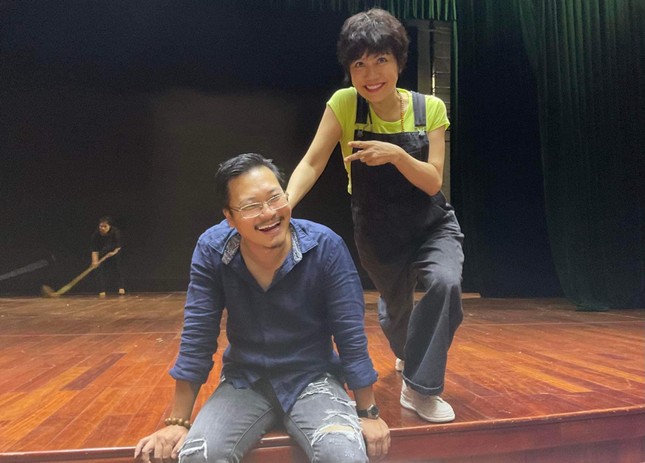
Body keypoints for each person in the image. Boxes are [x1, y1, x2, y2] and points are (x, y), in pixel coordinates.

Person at [134, 153, 389, 463]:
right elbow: (197, 336)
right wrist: (178, 421)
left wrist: (368, 412)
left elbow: (350, 335)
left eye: (275, 198)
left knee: (344, 454)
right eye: (251, 206)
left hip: (314, 377)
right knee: (199, 456)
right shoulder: (213, 249)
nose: (269, 213)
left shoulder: (325, 246)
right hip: (245, 381)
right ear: (229, 217)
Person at [286, 8, 464, 423]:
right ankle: (406, 348)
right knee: (397, 312)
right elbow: (312, 161)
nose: (370, 74)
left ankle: (420, 389)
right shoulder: (345, 104)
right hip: (378, 230)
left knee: (445, 283)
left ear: (399, 61)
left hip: (431, 223)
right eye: (359, 64)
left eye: (380, 60)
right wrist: (285, 204)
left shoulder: (430, 108)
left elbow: (433, 182)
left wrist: (397, 155)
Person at [90, 216, 125, 297]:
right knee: (98, 270)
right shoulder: (96, 235)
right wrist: (94, 261)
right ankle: (101, 290)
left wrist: (113, 253)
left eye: (104, 226)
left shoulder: (116, 233)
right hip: (102, 253)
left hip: (114, 252)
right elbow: (94, 249)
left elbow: (119, 246)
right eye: (100, 226)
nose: (102, 228)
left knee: (117, 268)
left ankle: (121, 287)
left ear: (109, 226)